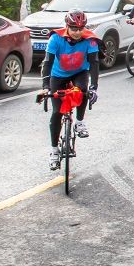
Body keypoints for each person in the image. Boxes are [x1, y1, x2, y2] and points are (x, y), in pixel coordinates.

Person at [40, 10, 99, 169]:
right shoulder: (56, 38)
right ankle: (54, 151)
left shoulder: (90, 40)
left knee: (83, 91)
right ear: (67, 26)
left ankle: (79, 122)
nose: (77, 32)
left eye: (80, 29)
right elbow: (47, 63)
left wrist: (94, 87)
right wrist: (46, 87)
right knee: (57, 112)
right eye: (74, 29)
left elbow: (94, 64)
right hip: (58, 75)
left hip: (79, 73)